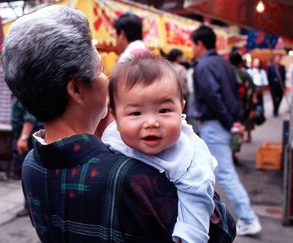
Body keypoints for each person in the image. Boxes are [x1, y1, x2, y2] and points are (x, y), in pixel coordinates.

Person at [2, 6, 179, 242]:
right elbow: (219, 230)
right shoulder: (130, 175)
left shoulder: (31, 164)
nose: (108, 81)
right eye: (101, 70)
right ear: (76, 89)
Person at [102, 57, 217, 243]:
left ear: (181, 108)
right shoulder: (111, 137)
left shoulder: (189, 163)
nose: (151, 123)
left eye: (164, 110)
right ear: (115, 117)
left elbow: (195, 223)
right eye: (135, 113)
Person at [190, 25, 262, 236]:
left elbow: (213, 96)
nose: (192, 49)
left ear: (200, 44)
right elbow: (233, 95)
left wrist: (229, 121)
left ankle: (248, 218)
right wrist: (233, 120)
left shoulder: (203, 65)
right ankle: (211, 217)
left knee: (224, 174)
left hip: (215, 124)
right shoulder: (222, 62)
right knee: (212, 173)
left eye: (193, 44)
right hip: (221, 123)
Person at [10, 97, 42, 217]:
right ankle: (30, 205)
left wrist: (23, 138)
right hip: (25, 137)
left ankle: (29, 206)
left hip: (28, 139)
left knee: (27, 173)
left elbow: (29, 118)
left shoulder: (25, 92)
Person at [229, 51, 257, 144]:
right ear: (240, 62)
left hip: (228, 105)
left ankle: (232, 152)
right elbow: (251, 91)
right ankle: (234, 149)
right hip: (242, 105)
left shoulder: (225, 73)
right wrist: (250, 108)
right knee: (239, 126)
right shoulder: (244, 74)